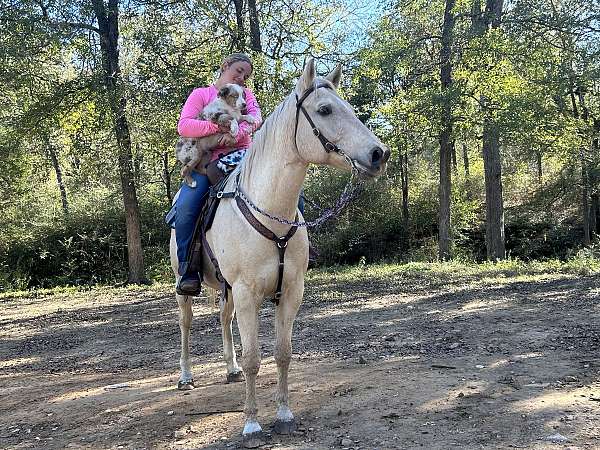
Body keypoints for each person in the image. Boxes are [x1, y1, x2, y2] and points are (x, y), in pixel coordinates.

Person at [175, 53, 262, 295]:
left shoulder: (247, 96)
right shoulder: (201, 94)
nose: (242, 77)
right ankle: (189, 270)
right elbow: (185, 126)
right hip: (207, 162)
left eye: (246, 74)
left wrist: (237, 133)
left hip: (244, 157)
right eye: (239, 70)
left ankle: (300, 249)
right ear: (225, 66)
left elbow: (255, 119)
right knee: (186, 207)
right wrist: (218, 127)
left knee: (285, 186)